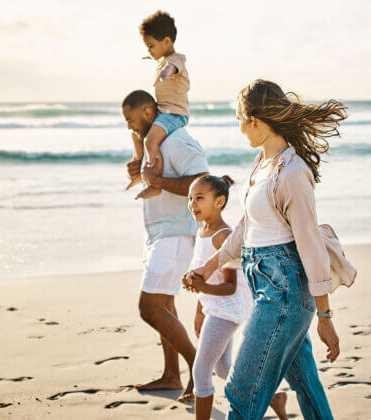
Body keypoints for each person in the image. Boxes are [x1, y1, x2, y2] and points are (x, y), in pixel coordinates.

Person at [185, 79, 353, 419]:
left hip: (285, 293)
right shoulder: (264, 164)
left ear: (256, 121)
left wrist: (325, 316)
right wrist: (209, 266)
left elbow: (310, 247)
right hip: (265, 285)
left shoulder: (292, 173)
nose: (239, 128)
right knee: (305, 385)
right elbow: (247, 228)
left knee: (242, 389)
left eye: (240, 120)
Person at [122, 89, 208, 401]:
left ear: (148, 113)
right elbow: (156, 179)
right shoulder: (154, 144)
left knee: (150, 308)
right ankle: (172, 375)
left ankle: (199, 370)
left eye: (131, 119)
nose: (130, 127)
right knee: (166, 306)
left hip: (176, 234)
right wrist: (139, 172)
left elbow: (203, 181)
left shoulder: (177, 139)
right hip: (160, 234)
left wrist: (156, 182)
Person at [184, 174, 289, 420]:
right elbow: (206, 277)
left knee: (201, 372)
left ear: (219, 202)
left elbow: (230, 287)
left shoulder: (224, 236)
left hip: (227, 311)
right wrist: (200, 311)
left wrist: (202, 289)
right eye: (190, 198)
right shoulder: (202, 232)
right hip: (214, 309)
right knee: (223, 369)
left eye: (200, 198)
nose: (192, 204)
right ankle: (274, 398)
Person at [127, 10, 191, 199]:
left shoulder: (175, 59)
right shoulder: (163, 61)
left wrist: (166, 72)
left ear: (167, 42)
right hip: (164, 112)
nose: (149, 51)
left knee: (151, 141)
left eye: (151, 46)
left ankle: (155, 182)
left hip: (175, 114)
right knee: (137, 135)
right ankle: (139, 172)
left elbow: (173, 66)